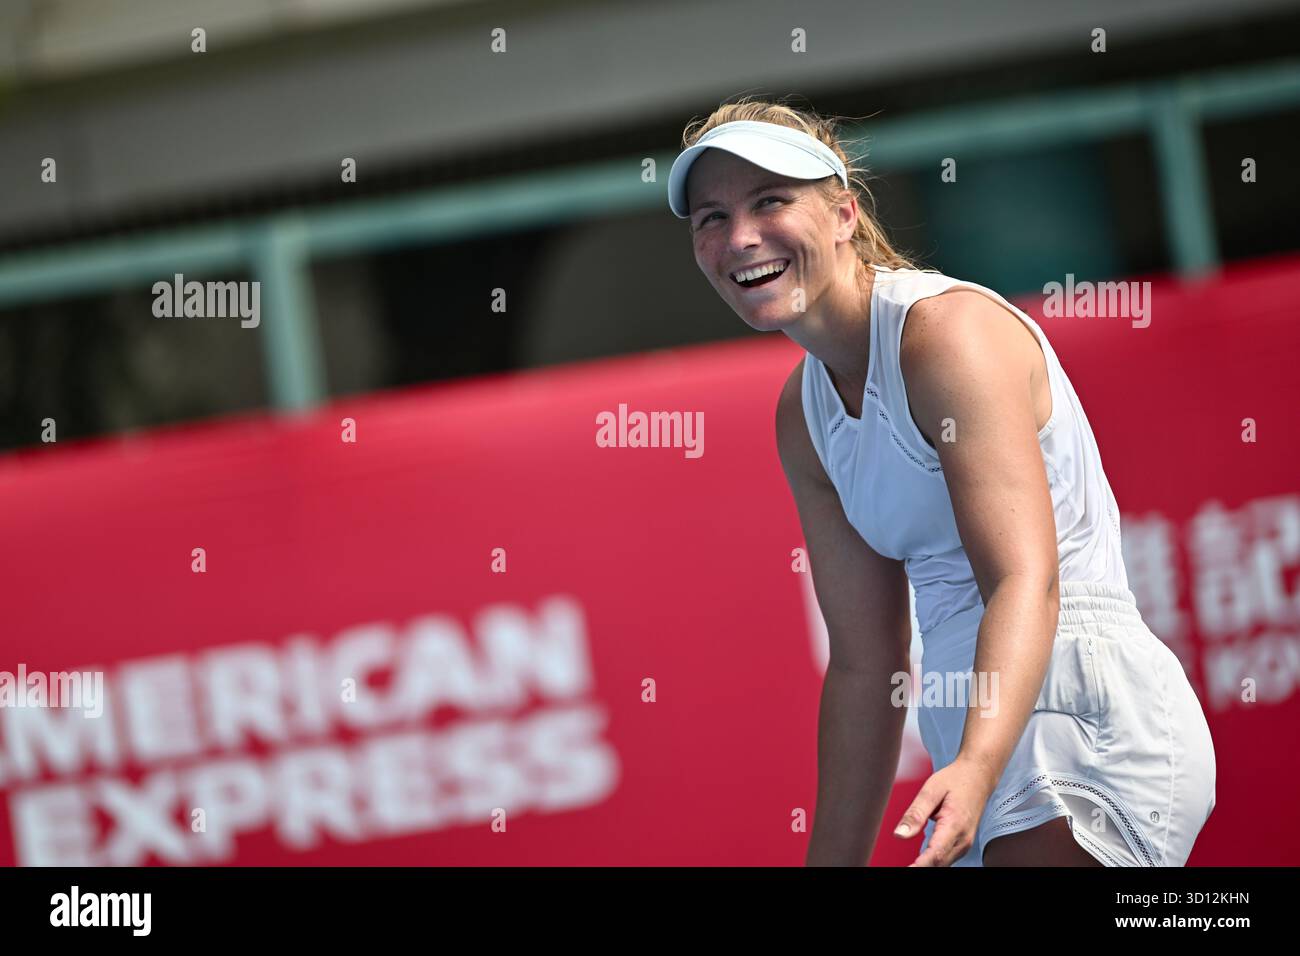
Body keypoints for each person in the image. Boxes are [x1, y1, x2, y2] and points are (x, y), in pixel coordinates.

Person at [667, 98, 1217, 866]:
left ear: (844, 216)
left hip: (1080, 706)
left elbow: (1027, 580)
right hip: (970, 736)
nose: (741, 237)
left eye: (770, 202)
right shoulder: (804, 413)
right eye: (711, 219)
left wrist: (980, 767)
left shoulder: (946, 335)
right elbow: (865, 665)